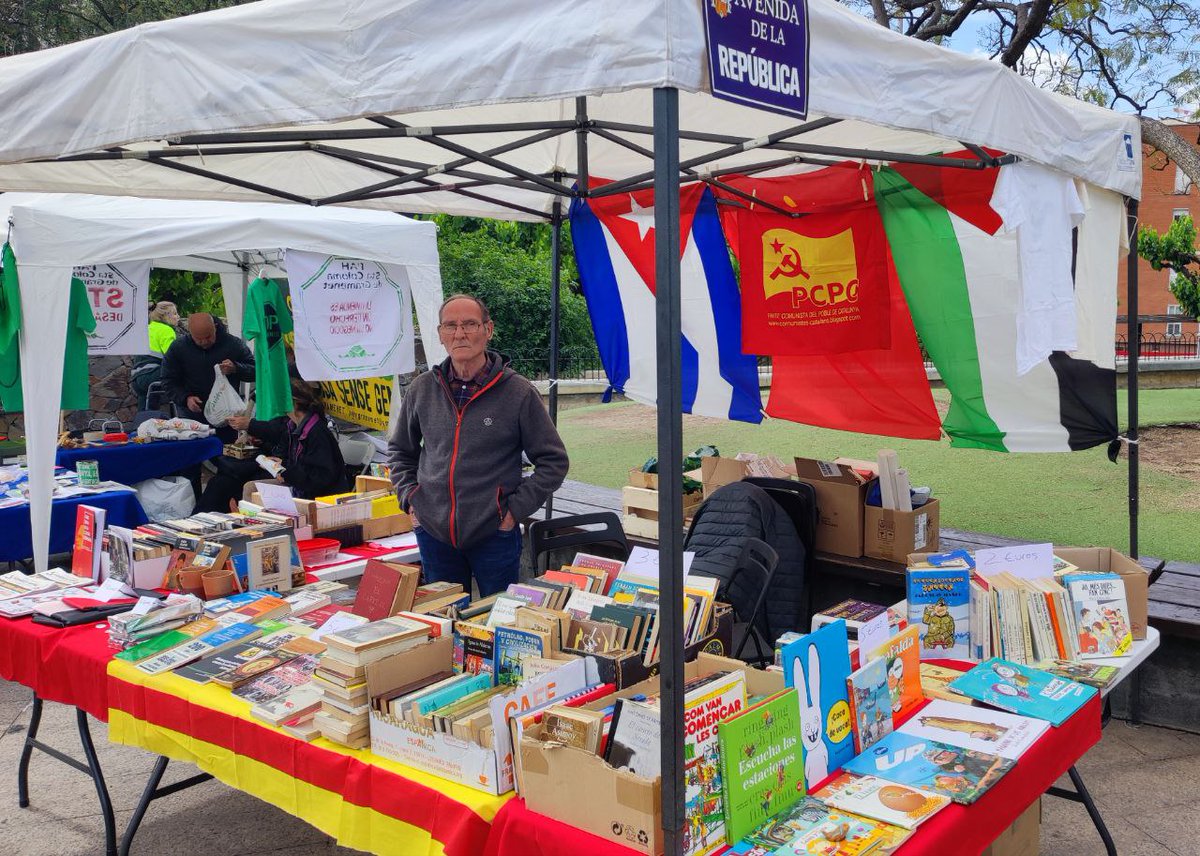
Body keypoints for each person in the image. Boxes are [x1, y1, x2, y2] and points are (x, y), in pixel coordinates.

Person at [388, 294, 569, 597]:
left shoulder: (517, 392)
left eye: (470, 324)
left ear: (488, 329)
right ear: (440, 334)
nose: (460, 334)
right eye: (451, 326)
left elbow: (554, 461)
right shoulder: (422, 389)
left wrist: (513, 511)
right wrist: (411, 499)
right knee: (445, 622)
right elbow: (400, 451)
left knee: (496, 623)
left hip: (494, 534)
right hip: (434, 533)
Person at [195, 379, 349, 512]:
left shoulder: (316, 432)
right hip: (298, 483)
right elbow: (291, 460)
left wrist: (285, 471)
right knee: (245, 486)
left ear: (294, 403)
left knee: (238, 485)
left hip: (317, 494)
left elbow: (320, 477)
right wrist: (278, 464)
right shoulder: (293, 425)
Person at [160, 312, 255, 441]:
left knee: (224, 455)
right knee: (193, 457)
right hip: (192, 417)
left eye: (209, 337)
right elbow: (168, 380)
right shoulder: (178, 348)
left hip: (226, 417)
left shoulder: (233, 344)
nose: (204, 342)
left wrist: (236, 368)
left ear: (215, 327)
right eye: (198, 339)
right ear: (190, 333)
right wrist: (185, 398)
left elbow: (255, 372)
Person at [131, 301, 180, 410]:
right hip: (152, 374)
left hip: (136, 378)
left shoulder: (146, 329)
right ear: (166, 316)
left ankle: (142, 424)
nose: (178, 317)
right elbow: (173, 357)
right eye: (175, 313)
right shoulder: (166, 330)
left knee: (146, 411)